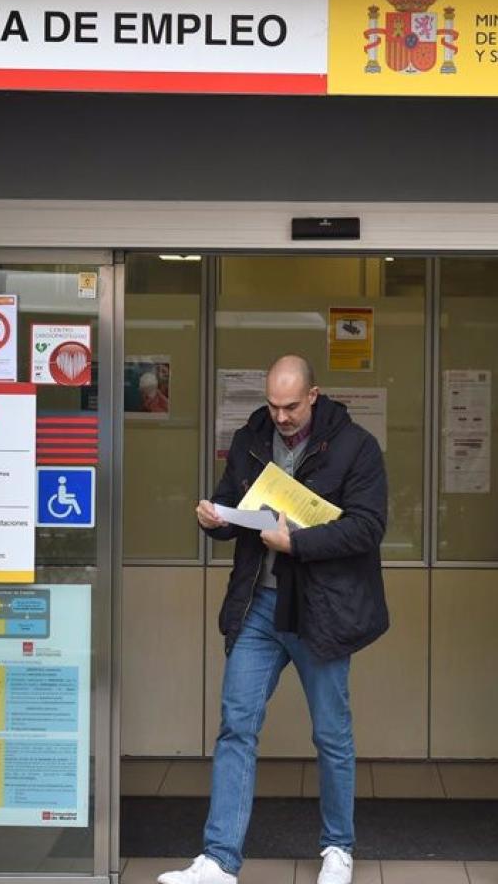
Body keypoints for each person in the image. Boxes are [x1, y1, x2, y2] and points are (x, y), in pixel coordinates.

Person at [161, 355, 389, 884]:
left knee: (332, 734)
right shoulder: (251, 439)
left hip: (319, 610)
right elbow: (231, 503)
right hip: (258, 605)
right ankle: (219, 860)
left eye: (290, 406)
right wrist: (213, 517)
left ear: (314, 395)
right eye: (273, 404)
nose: (281, 416)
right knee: (236, 727)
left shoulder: (355, 446)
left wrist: (298, 542)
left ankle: (338, 848)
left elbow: (367, 528)